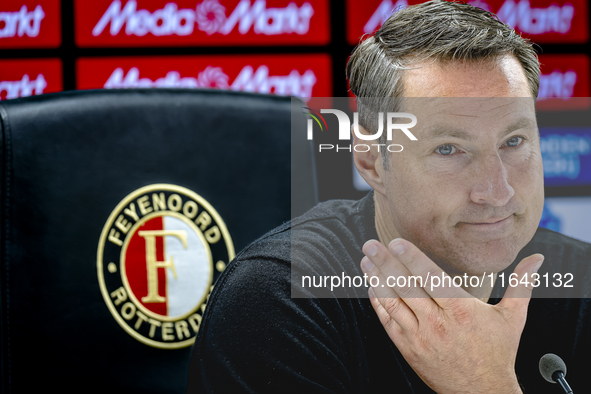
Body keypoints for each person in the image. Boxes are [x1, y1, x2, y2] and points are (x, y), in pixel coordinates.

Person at [187, 1, 591, 392]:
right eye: (448, 149)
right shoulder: (281, 299)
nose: (497, 191)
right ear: (372, 163)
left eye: (514, 141)